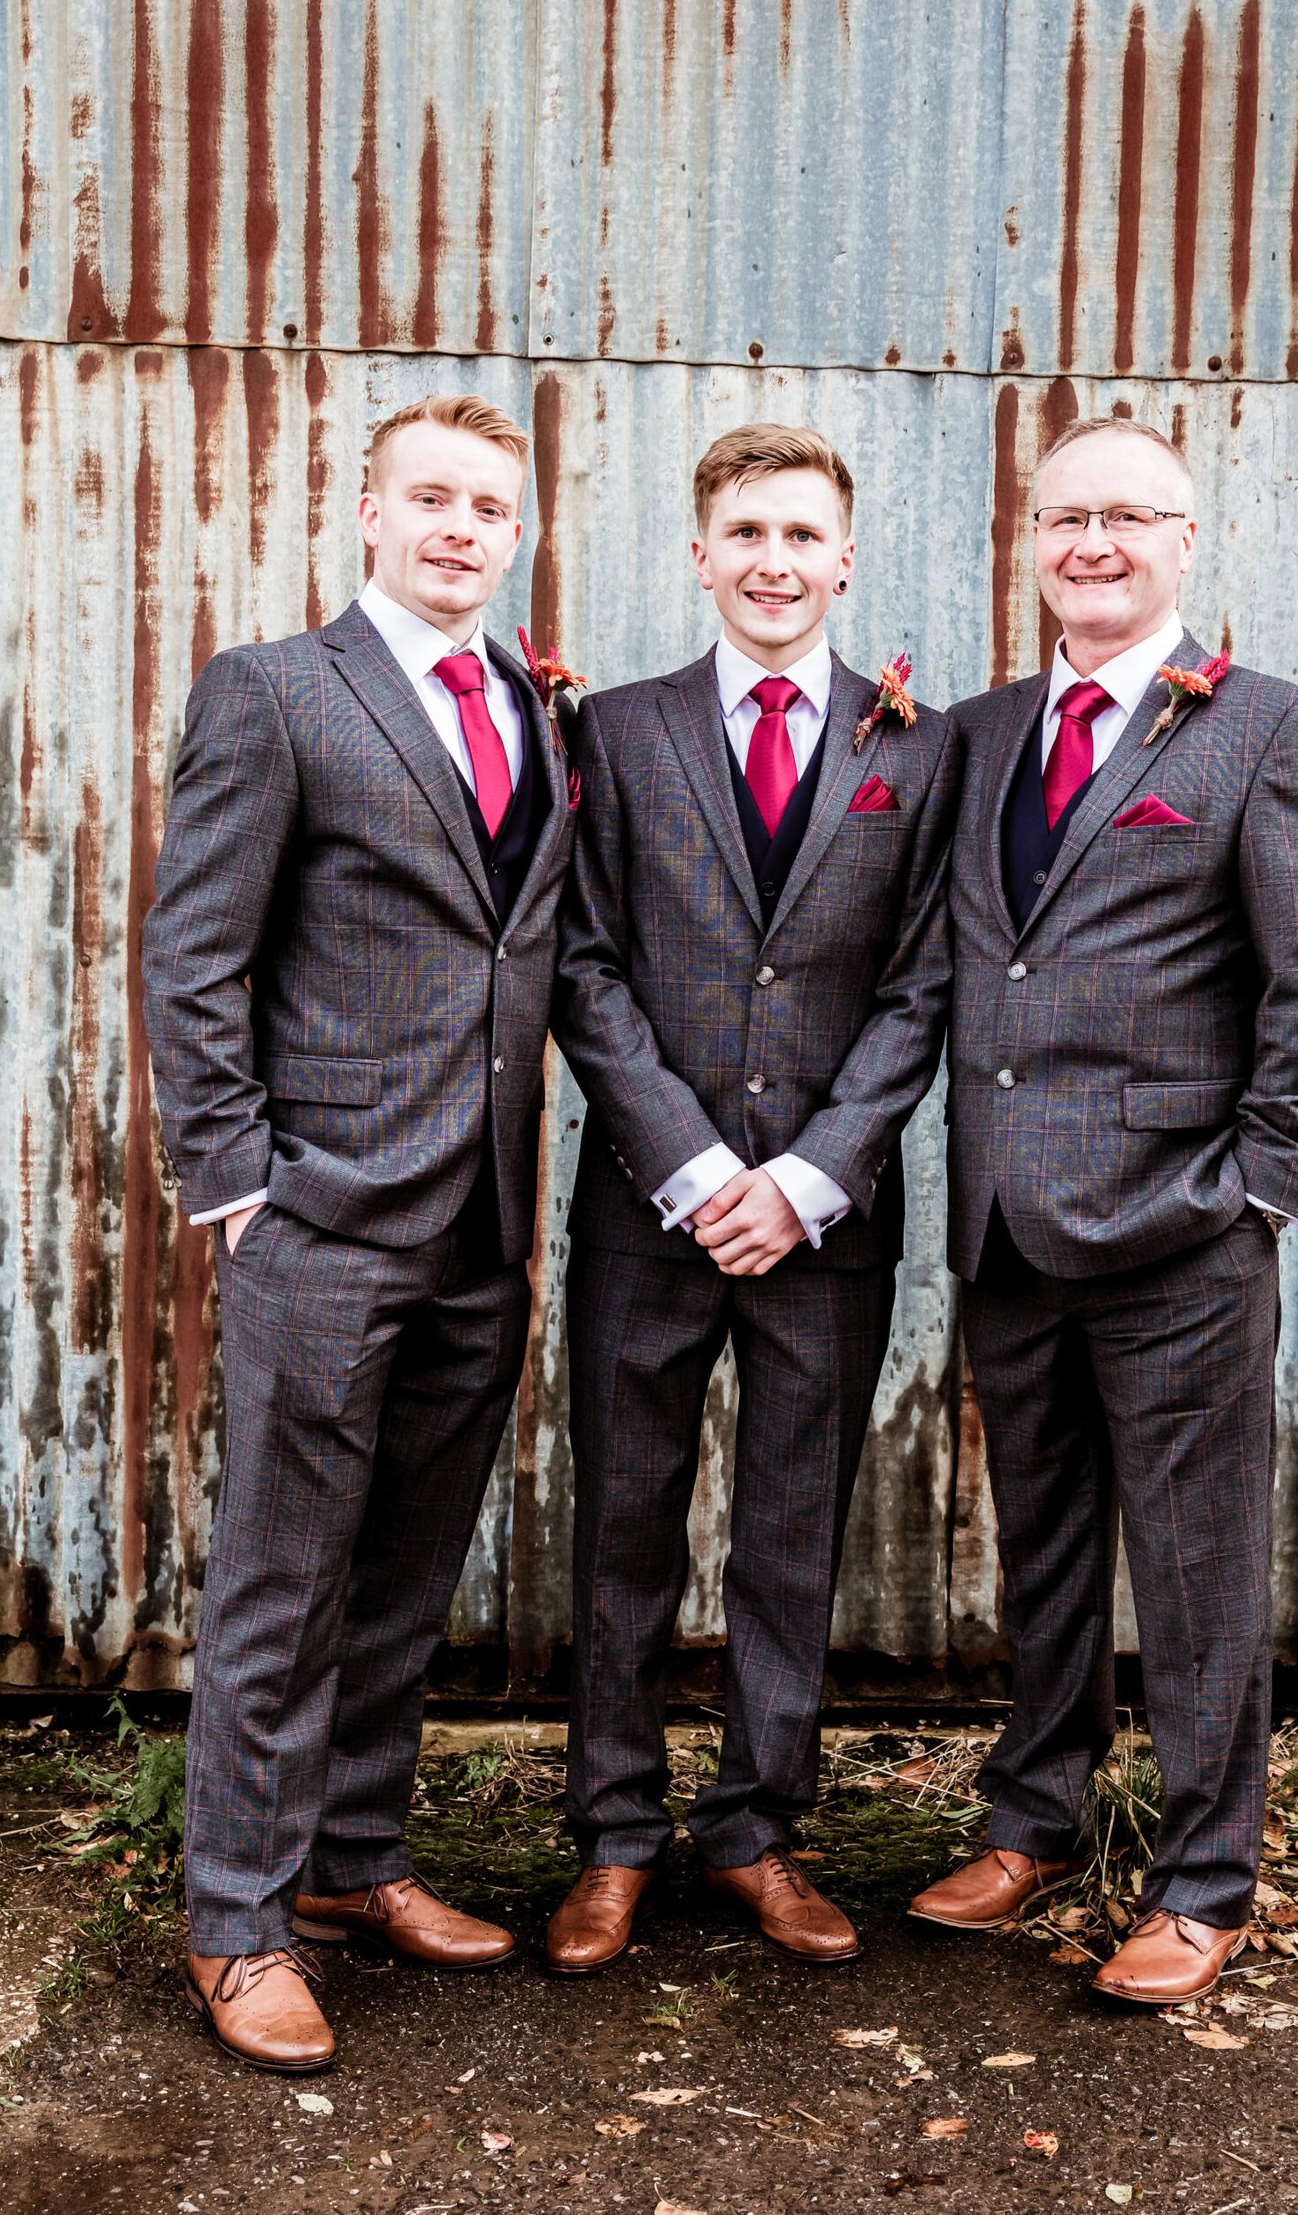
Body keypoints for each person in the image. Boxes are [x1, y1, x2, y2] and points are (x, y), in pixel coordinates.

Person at [910, 416, 1298, 2004]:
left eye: (1127, 516)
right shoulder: (977, 735)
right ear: (1031, 539)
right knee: (1042, 1546)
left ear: (1184, 539)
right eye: (1065, 517)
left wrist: (1255, 1192)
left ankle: (1203, 1876)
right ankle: (1035, 1816)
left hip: (1182, 1229)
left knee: (1195, 1567)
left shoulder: (1269, 730)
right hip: (1009, 1227)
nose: (1093, 543)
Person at [142, 393, 579, 2070]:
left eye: (490, 507)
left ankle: (350, 1856)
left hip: (483, 1218)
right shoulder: (275, 691)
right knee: (284, 1575)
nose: (463, 529)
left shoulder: (536, 703)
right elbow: (196, 954)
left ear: (514, 532)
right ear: (371, 513)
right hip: (322, 1213)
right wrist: (240, 1184)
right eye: (434, 499)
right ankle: (236, 1919)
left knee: (405, 1567)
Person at [548, 424, 959, 1972]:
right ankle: (613, 1836)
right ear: (700, 554)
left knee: (794, 1529)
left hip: (826, 1223)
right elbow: (583, 961)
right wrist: (700, 1166)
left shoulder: (920, 747)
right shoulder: (616, 731)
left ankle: (756, 1829)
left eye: (801, 535)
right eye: (746, 533)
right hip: (646, 1210)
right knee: (623, 1525)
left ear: (843, 559)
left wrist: (804, 1177)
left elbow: (924, 983)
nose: (773, 561)